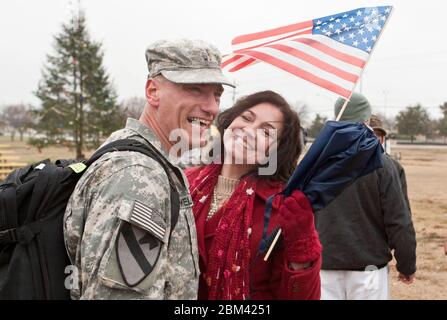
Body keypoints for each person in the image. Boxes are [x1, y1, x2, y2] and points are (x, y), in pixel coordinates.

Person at [63, 39, 234, 299]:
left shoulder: (142, 157)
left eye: (216, 95)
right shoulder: (139, 176)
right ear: (153, 91)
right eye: (195, 89)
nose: (211, 107)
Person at [185, 90, 322, 300]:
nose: (249, 131)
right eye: (246, 118)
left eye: (266, 133)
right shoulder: (183, 182)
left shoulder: (283, 207)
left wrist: (301, 247)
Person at [315, 92, 417, 300]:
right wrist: (407, 265)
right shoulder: (383, 164)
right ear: (365, 120)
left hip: (324, 266)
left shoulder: (315, 161)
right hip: (366, 268)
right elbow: (399, 221)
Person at [370, 114, 411, 213]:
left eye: (378, 135)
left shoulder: (394, 167)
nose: (374, 138)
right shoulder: (350, 165)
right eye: (370, 133)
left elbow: (401, 209)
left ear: (383, 139)